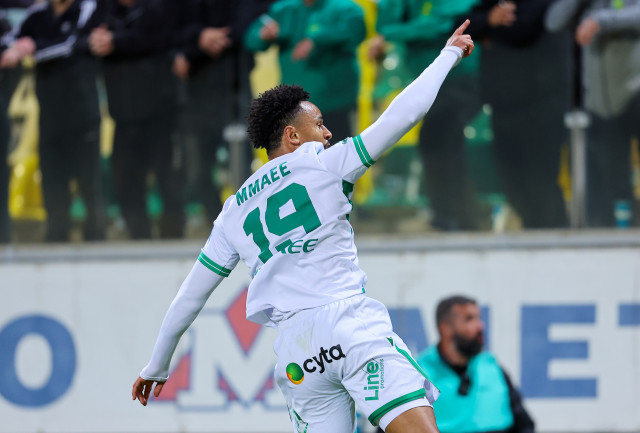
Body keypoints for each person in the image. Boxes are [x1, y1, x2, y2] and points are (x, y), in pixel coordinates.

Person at [132, 21, 475, 433]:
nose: (328, 133)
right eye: (319, 124)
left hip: (298, 353)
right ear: (293, 135)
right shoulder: (325, 164)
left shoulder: (233, 210)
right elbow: (405, 113)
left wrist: (157, 366)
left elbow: (189, 298)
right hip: (349, 325)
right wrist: (448, 55)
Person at [370, 0, 485, 231]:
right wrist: (391, 30)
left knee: (438, 140)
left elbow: (441, 24)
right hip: (431, 83)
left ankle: (452, 217)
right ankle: (458, 217)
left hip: (460, 79)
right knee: (441, 144)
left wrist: (392, 33)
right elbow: (384, 24)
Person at [2, 0, 106, 242]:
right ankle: (57, 236)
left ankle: (95, 238)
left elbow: (71, 45)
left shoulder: (87, 9)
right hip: (50, 114)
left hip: (83, 113)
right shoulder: (37, 14)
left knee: (89, 181)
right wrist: (16, 47)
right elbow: (9, 40)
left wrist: (31, 48)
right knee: (53, 181)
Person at [464, 0, 571, 229]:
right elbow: (465, 26)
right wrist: (489, 20)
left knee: (540, 179)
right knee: (511, 180)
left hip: (542, 101)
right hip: (503, 100)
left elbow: (522, 29)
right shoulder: (492, 4)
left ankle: (554, 238)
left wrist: (488, 28)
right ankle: (534, 234)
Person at [90, 0, 184, 239]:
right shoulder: (103, 10)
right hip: (122, 114)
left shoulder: (159, 7)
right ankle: (138, 235)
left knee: (168, 179)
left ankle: (173, 237)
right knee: (126, 181)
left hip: (160, 112)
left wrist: (116, 42)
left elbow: (160, 38)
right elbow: (89, 38)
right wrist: (101, 41)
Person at [546, 0, 640, 227]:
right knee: (612, 180)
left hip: (635, 89)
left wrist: (600, 20)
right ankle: (618, 231)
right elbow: (553, 21)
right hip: (598, 102)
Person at [244, 0, 366, 141]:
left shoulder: (344, 8)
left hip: (335, 102)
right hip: (295, 106)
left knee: (340, 150)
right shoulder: (284, 9)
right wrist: (263, 35)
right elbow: (251, 39)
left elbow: (356, 32)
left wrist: (317, 39)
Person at [413, 296, 534, 433]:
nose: (480, 326)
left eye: (479, 318)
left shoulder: (492, 366)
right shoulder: (419, 373)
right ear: (445, 329)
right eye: (469, 319)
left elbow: (524, 424)